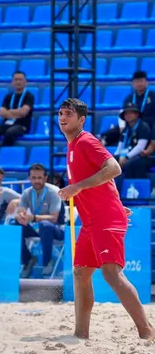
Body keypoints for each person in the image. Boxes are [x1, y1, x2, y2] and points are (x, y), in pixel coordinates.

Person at [57, 98, 155, 340]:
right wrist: (115, 203)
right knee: (80, 273)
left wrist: (77, 187)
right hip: (92, 220)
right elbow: (104, 180)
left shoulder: (86, 141)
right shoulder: (72, 145)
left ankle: (147, 332)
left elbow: (114, 168)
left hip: (104, 219)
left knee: (111, 274)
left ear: (81, 120)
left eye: (68, 114)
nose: (62, 117)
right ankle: (81, 334)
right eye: (60, 113)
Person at [16, 163, 64, 278]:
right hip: (37, 228)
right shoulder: (27, 193)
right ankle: (28, 260)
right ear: (29, 178)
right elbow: (21, 211)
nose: (37, 181)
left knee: (45, 225)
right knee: (16, 225)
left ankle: (47, 261)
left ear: (45, 178)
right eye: (34, 178)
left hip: (57, 228)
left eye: (39, 178)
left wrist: (33, 218)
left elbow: (54, 218)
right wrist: (21, 216)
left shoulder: (54, 192)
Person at [0, 71, 35, 148]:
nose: (18, 82)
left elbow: (23, 112)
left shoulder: (29, 96)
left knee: (10, 133)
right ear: (12, 82)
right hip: (7, 124)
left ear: (25, 82)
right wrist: (17, 113)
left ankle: (2, 152)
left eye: (20, 79)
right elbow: (2, 113)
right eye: (16, 80)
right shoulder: (8, 96)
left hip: (21, 125)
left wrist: (9, 112)